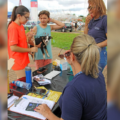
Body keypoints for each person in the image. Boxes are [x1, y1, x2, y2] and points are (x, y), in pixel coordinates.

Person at [34, 34, 107, 120]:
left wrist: (48, 113)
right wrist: (72, 62)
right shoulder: (98, 74)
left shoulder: (73, 89)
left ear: (72, 56)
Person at [8, 5, 38, 79]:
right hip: (17, 60)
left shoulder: (21, 26)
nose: (27, 20)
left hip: (24, 58)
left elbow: (23, 42)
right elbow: (13, 48)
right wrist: (30, 49)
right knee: (23, 81)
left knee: (27, 79)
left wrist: (29, 37)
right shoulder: (13, 27)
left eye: (28, 18)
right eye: (26, 17)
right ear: (19, 16)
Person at [84, 0, 107, 72]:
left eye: (91, 7)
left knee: (95, 78)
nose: (89, 10)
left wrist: (95, 46)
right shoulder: (92, 20)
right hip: (90, 52)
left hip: (99, 53)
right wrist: (86, 24)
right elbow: (85, 37)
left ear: (99, 7)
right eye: (88, 8)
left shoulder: (105, 19)